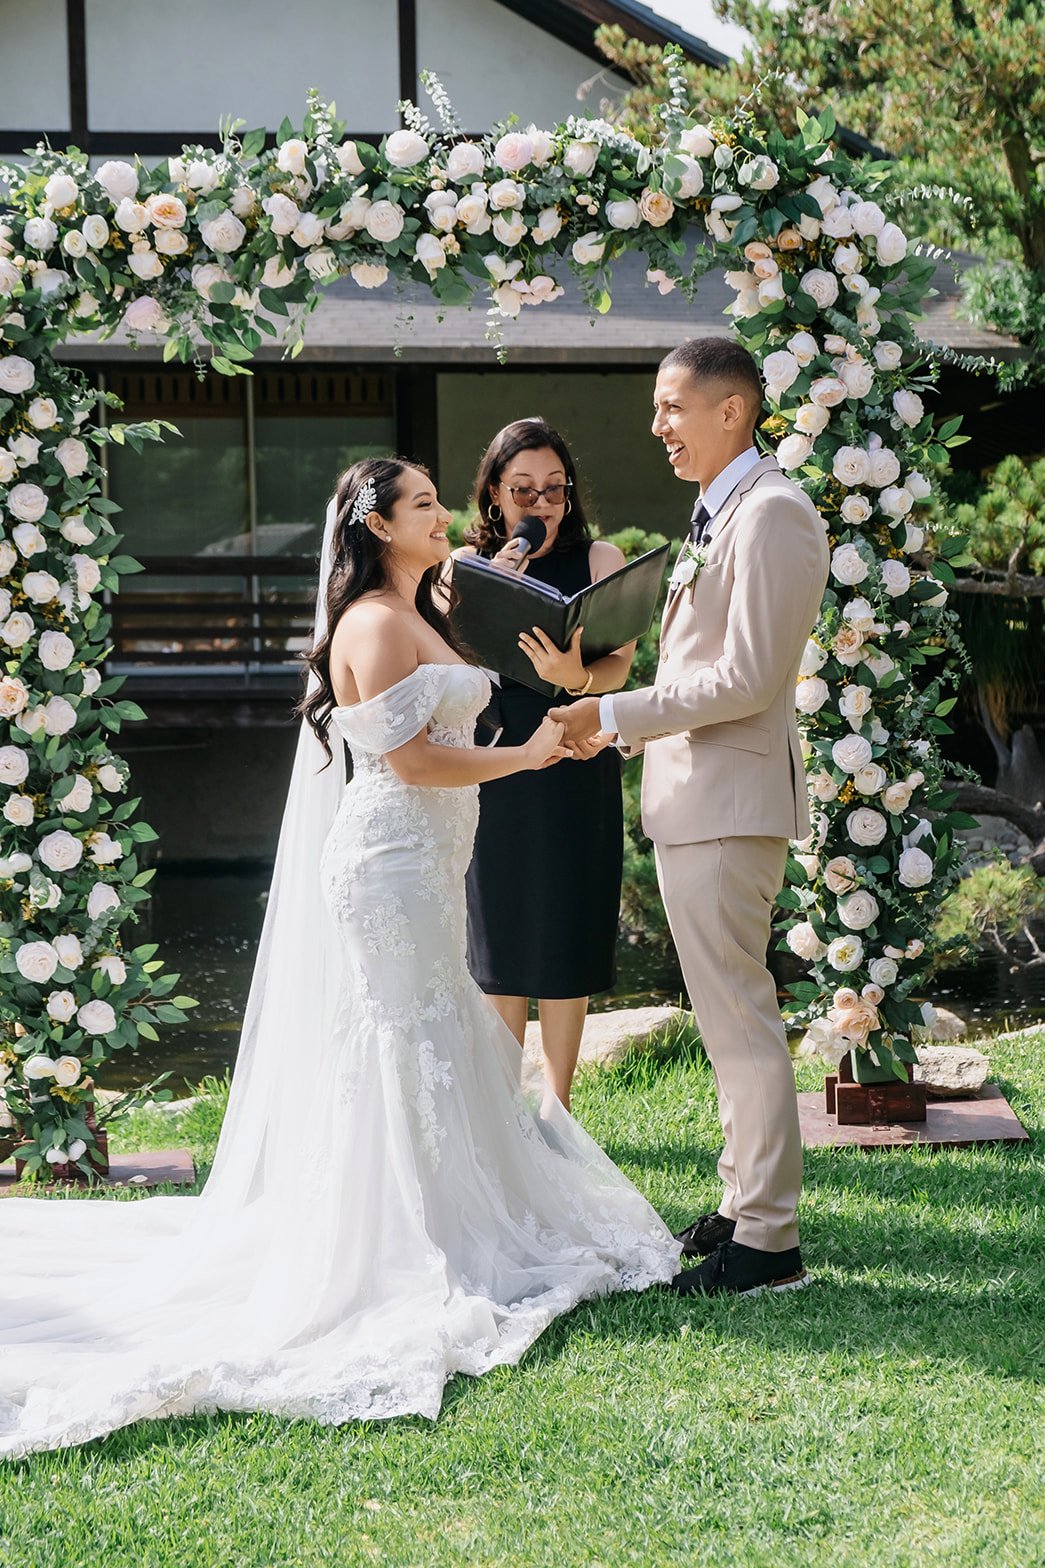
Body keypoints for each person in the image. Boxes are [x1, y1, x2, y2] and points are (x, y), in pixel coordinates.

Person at [0, 457, 678, 1460]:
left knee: (438, 1025)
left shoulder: (424, 608)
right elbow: (410, 761)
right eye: (419, 506)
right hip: (391, 861)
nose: (441, 514)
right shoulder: (369, 620)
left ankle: (450, 1217)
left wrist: (564, 696)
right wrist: (527, 754)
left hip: (432, 858)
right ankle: (393, 1239)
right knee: (403, 1037)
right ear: (374, 526)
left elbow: (503, 661)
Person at [552, 339, 830, 1298]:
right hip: (696, 798)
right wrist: (611, 722)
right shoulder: (722, 514)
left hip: (727, 801)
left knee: (741, 1022)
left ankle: (768, 1243)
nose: (658, 427)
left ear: (734, 410)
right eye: (657, 409)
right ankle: (741, 1202)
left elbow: (747, 680)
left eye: (673, 407)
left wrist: (614, 714)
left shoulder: (775, 516)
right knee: (725, 1020)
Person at [455, 418, 634, 1110]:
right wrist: (482, 591)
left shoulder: (599, 558)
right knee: (499, 944)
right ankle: (505, 1109)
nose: (540, 505)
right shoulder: (460, 566)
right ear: (494, 494)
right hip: (496, 765)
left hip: (574, 761)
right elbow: (442, 667)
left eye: (554, 491)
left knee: (565, 936)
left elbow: (619, 663)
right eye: (523, 490)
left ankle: (558, 1107)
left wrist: (575, 676)